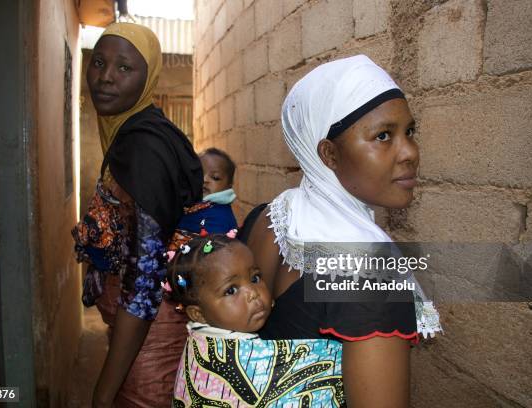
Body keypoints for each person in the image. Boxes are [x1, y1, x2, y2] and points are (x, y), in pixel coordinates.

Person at [244, 55, 442, 407]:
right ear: (329, 155)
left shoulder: (268, 219)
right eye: (383, 136)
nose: (410, 152)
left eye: (410, 132)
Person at [72, 23, 203, 407]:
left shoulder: (142, 148)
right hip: (140, 333)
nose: (106, 77)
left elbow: (143, 286)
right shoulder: (133, 134)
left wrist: (102, 394)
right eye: (98, 62)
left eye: (125, 68)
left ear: (148, 78)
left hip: (150, 339)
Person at [166, 235, 346, 406]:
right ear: (199, 315)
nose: (253, 293)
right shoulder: (226, 355)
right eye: (231, 291)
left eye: (255, 278)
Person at [176, 148, 238, 235]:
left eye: (215, 178)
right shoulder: (191, 203)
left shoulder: (220, 217)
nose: (204, 180)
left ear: (229, 185)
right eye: (199, 174)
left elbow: (215, 245)